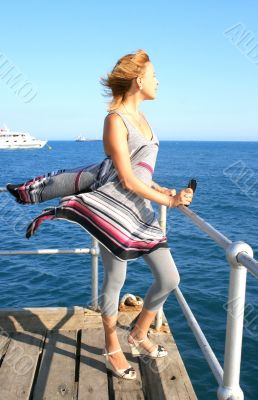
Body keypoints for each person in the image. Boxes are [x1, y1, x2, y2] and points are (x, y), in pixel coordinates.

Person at [6, 49, 193, 380]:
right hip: (114, 212)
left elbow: (142, 174)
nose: (158, 81)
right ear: (139, 80)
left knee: (169, 278)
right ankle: (111, 345)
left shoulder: (144, 119)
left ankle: (137, 334)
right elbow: (127, 178)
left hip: (141, 211)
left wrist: (166, 191)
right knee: (116, 280)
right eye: (154, 76)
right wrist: (169, 203)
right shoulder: (114, 120)